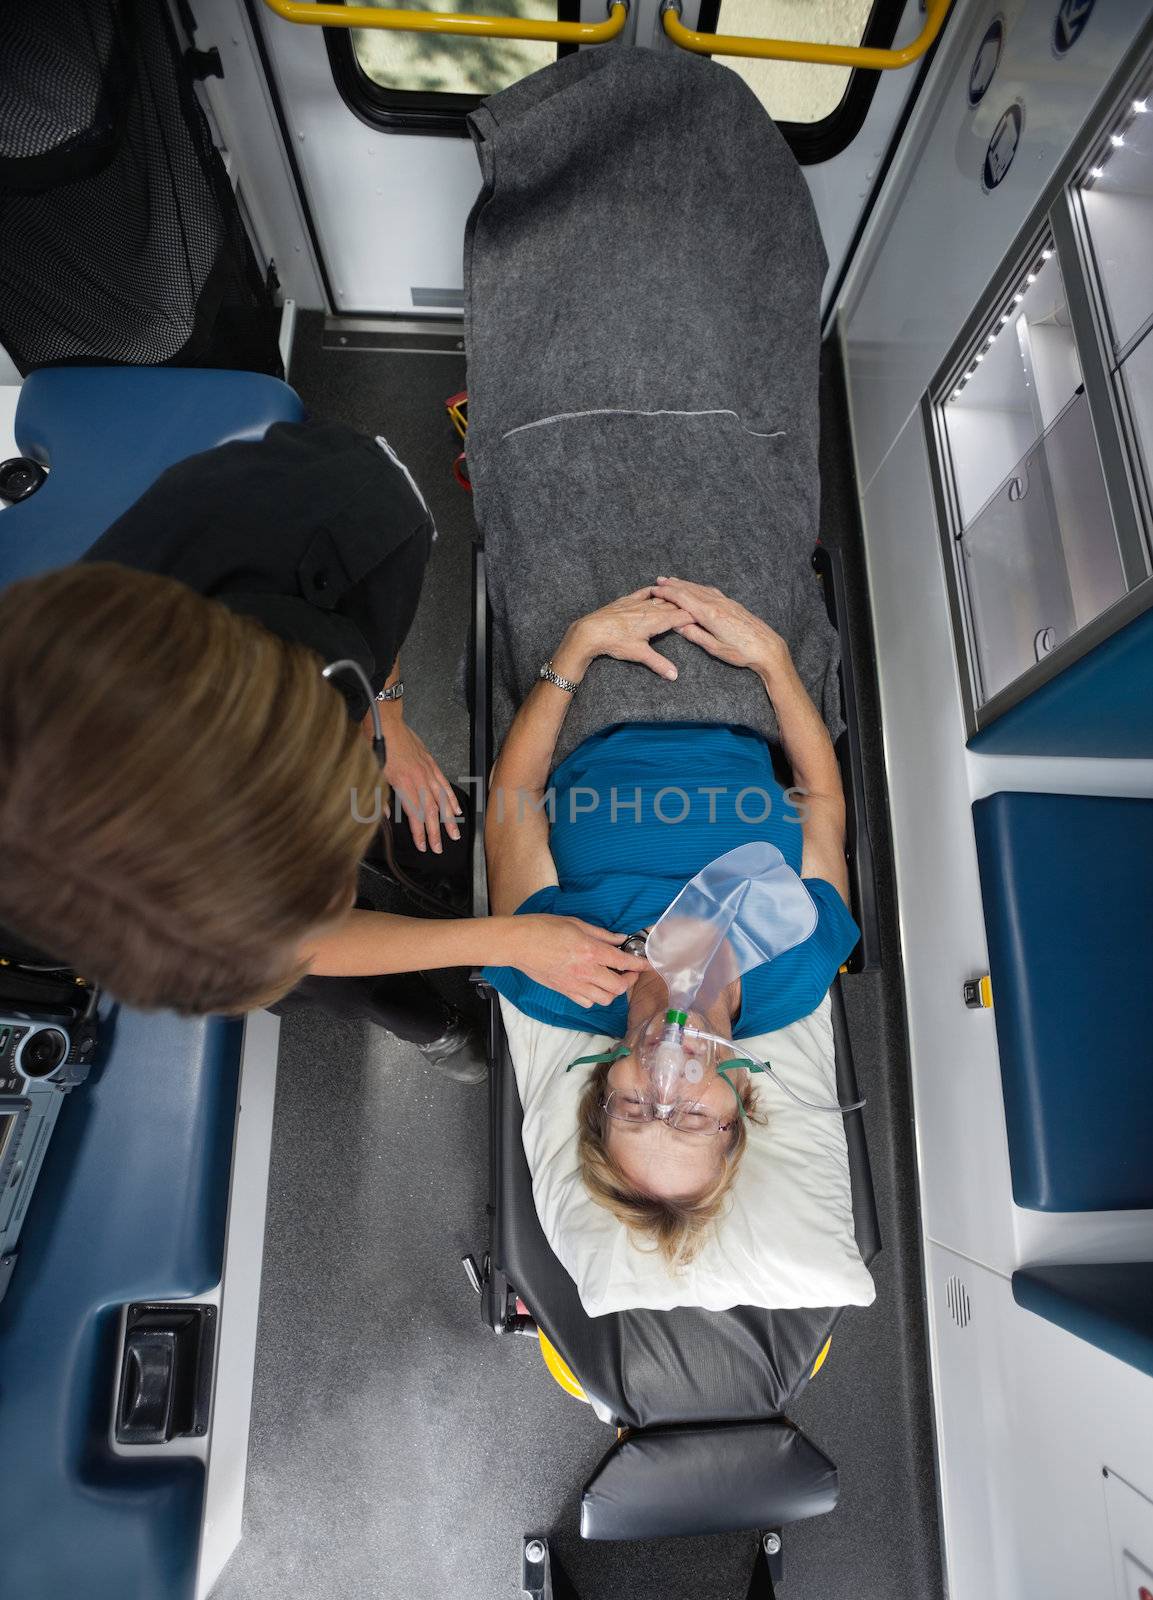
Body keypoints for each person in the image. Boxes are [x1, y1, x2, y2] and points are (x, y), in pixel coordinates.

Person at [0, 422, 646, 1081]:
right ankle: (425, 1018)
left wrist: (389, 721)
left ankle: (431, 875)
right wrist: (502, 941)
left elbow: (369, 625)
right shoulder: (44, 775)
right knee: (308, 973)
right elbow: (290, 945)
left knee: (429, 828)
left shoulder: (354, 516)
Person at [483, 577, 859, 1259]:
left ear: (602, 1088)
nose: (666, 1084)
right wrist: (772, 659)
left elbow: (514, 796)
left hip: (589, 699)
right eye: (689, 1117)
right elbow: (824, 801)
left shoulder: (548, 973)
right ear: (737, 1110)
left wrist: (577, 647)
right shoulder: (799, 967)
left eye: (634, 1110)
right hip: (747, 696)